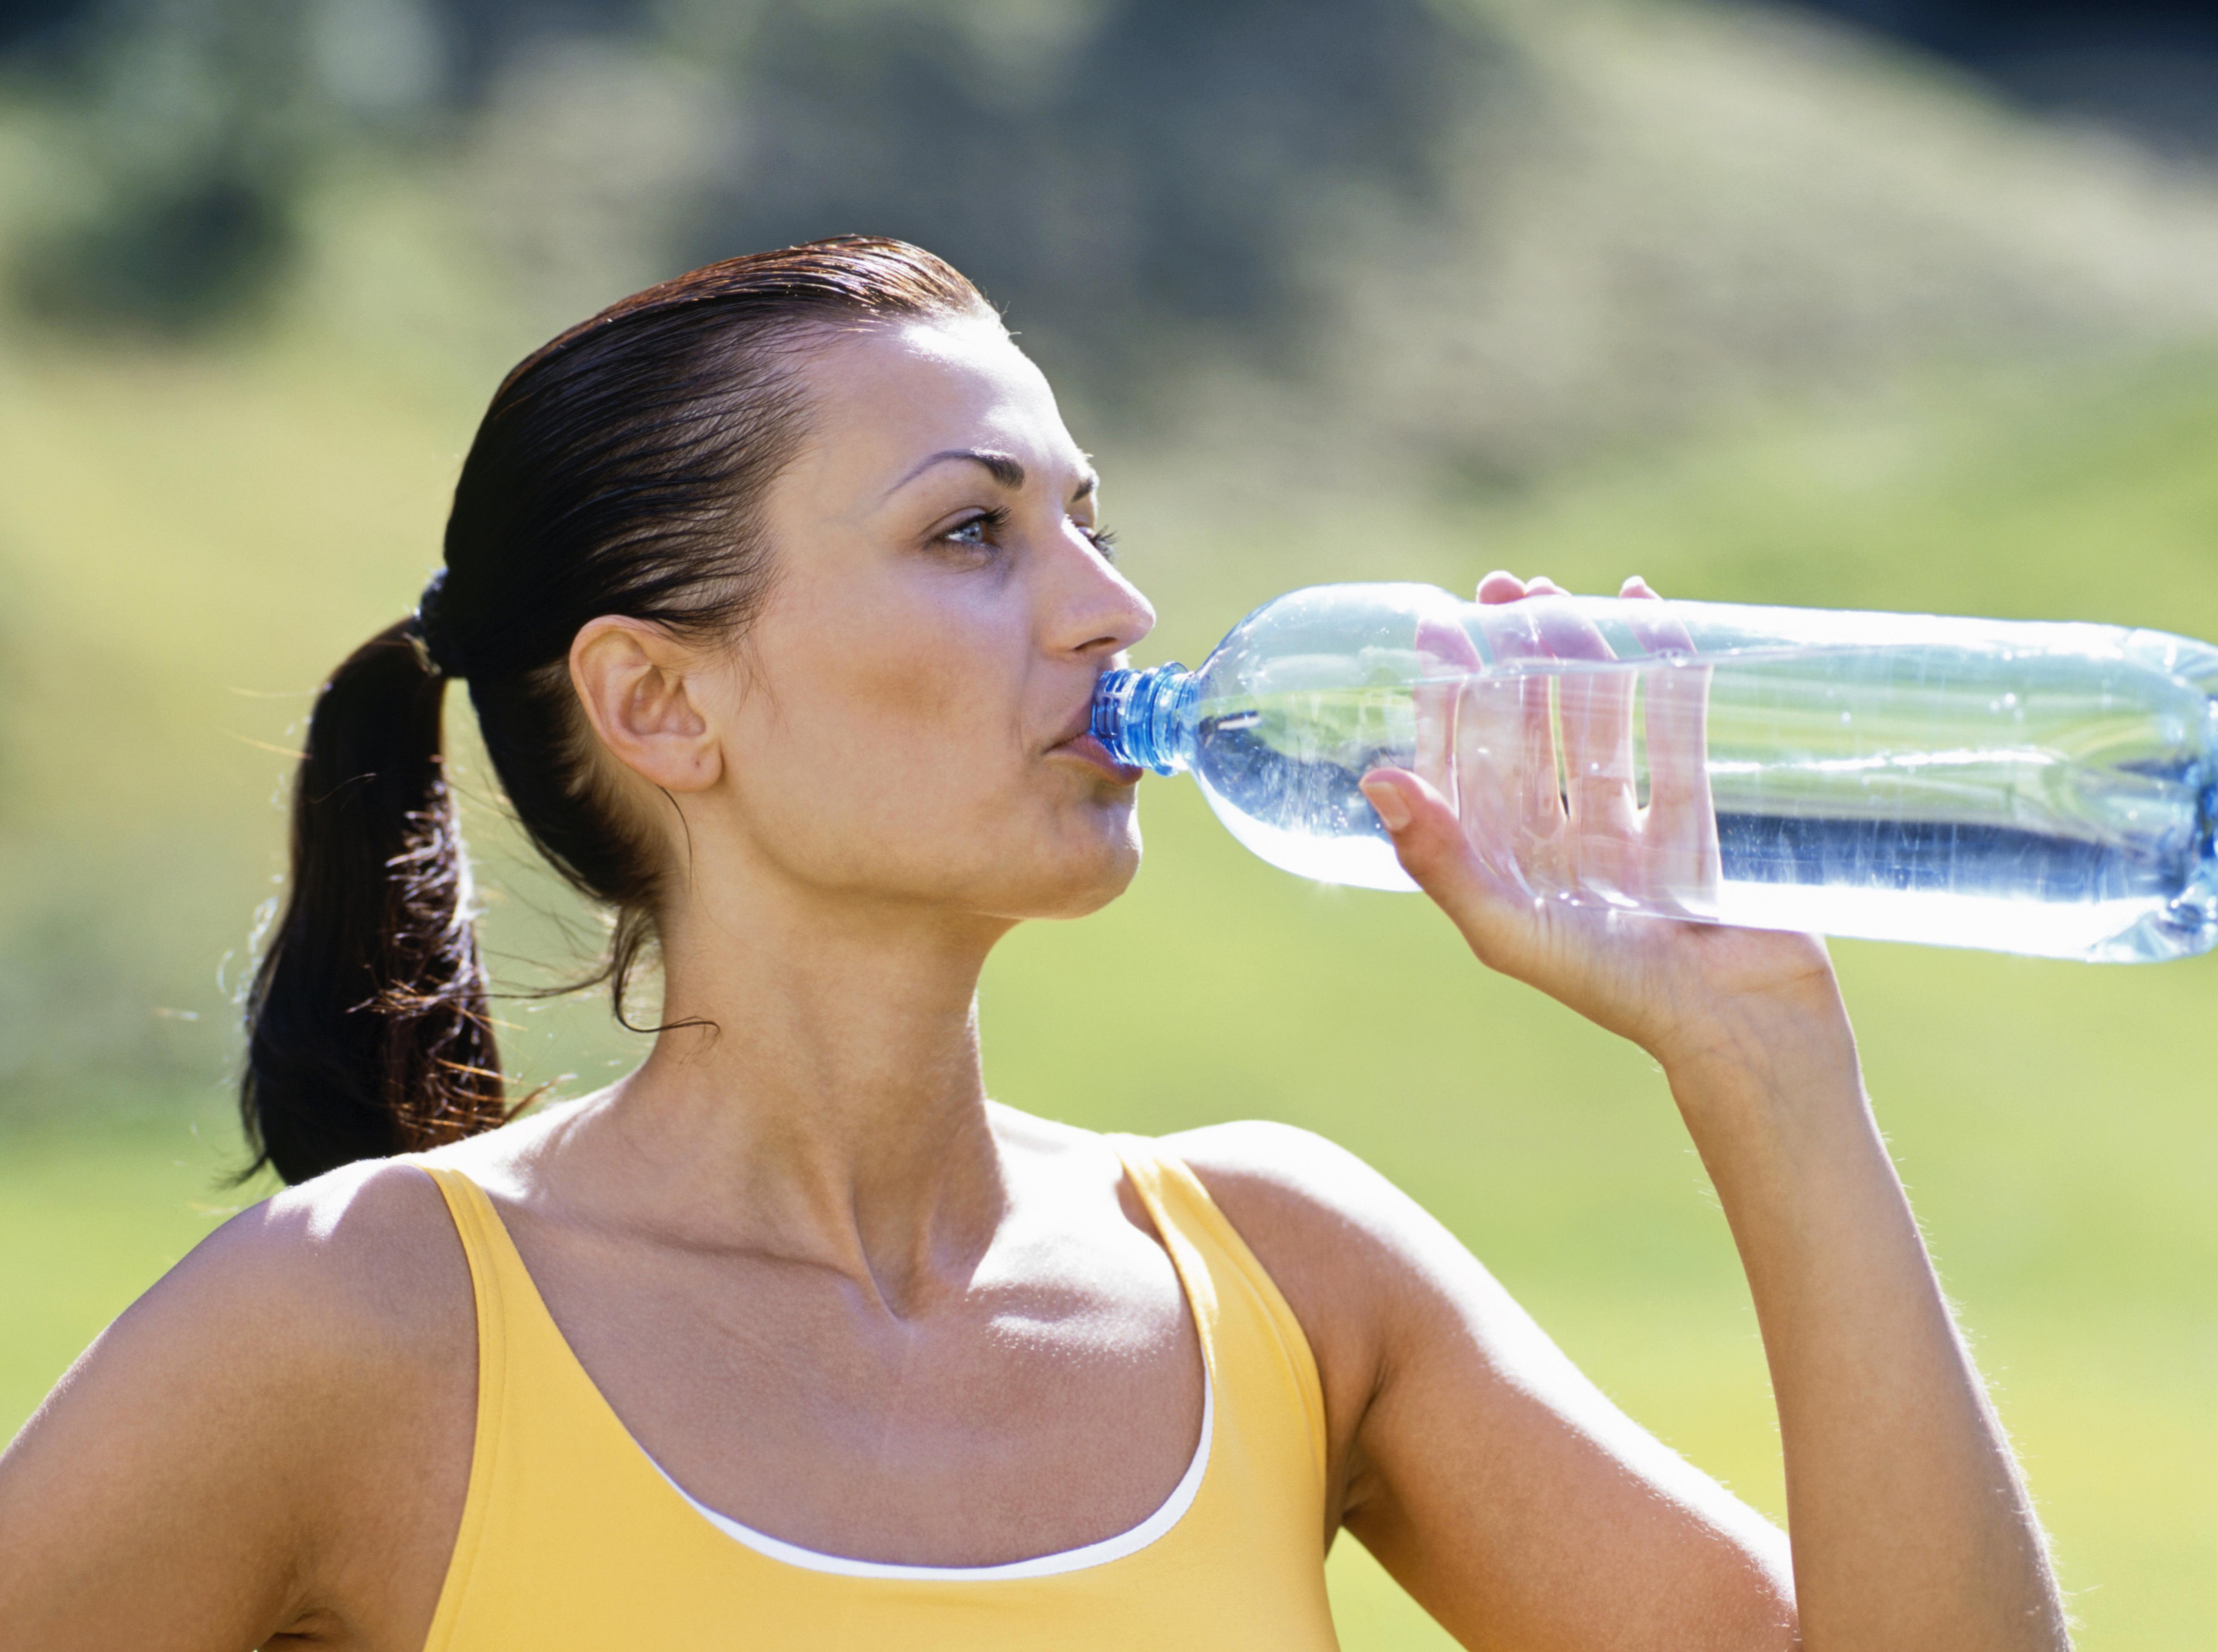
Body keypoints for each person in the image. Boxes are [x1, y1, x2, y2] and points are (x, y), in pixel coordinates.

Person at [0, 238, 2066, 1651]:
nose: (1111, 609)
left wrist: (1764, 1055)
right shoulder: (353, 1324)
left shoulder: (1284, 1274)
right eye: (971, 531)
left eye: (1092, 518)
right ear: (658, 701)